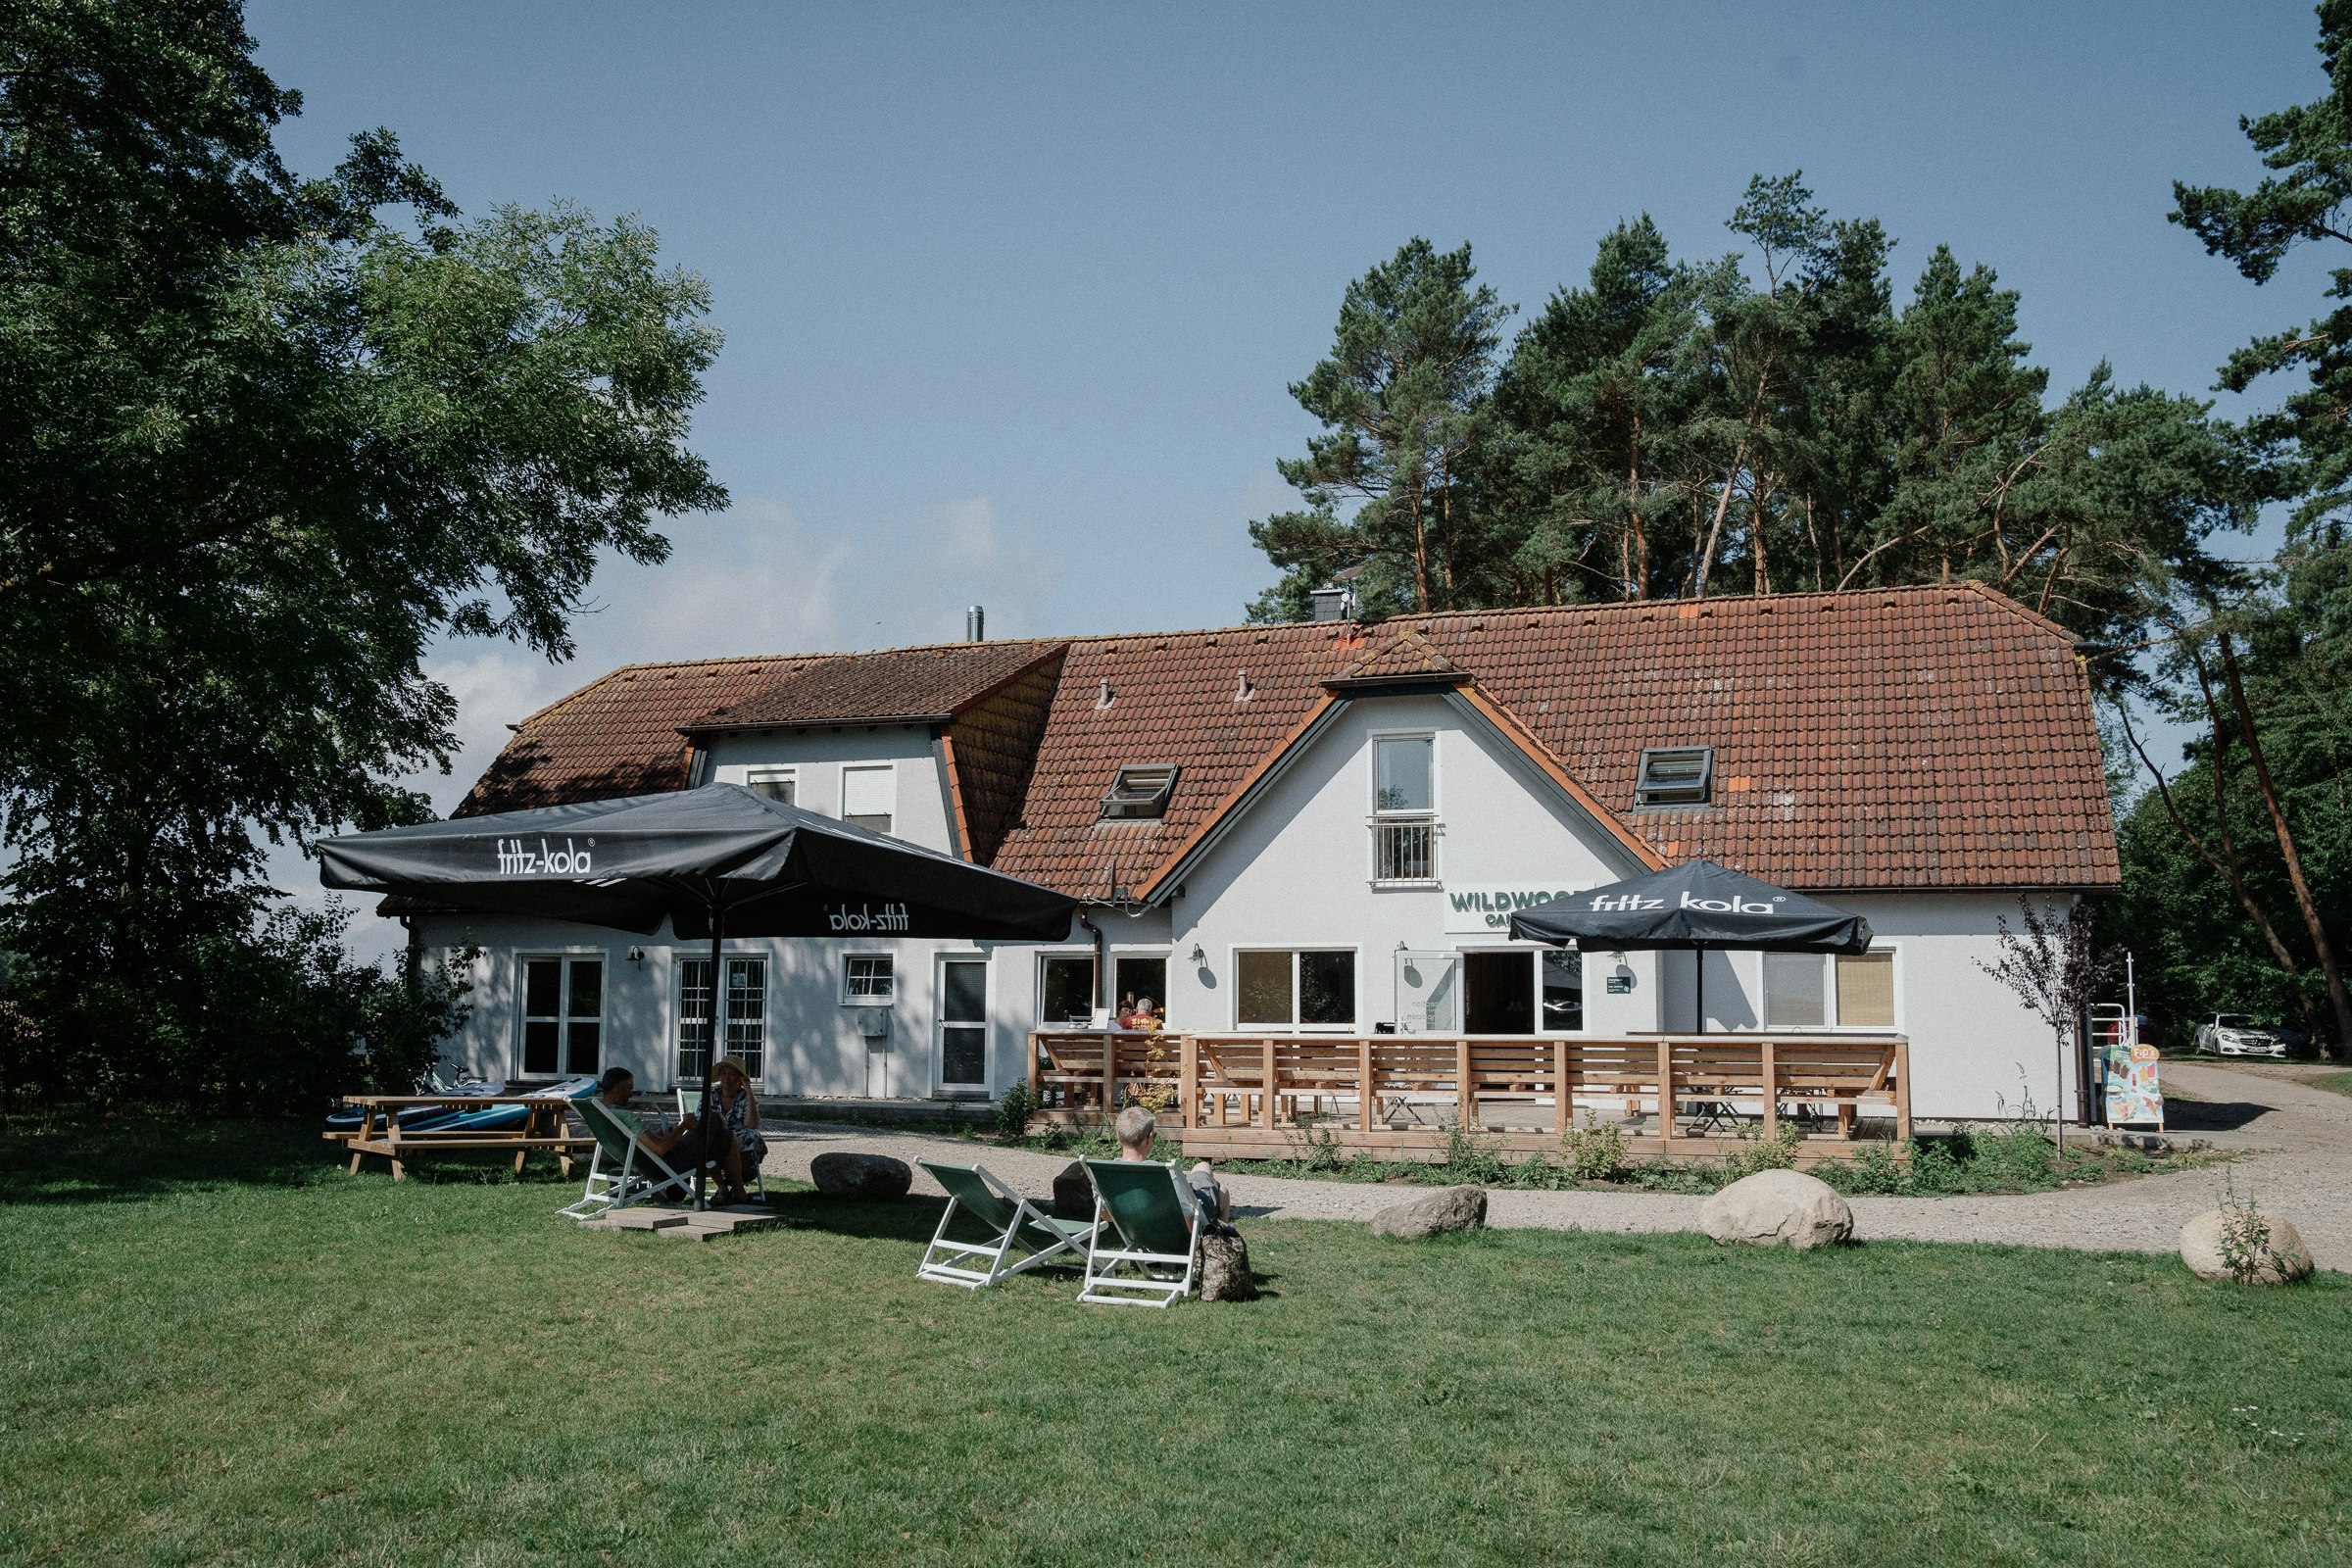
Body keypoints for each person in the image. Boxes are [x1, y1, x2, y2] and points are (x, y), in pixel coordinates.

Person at [594, 1066, 744, 1197]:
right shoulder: (625, 1116)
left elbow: (641, 1144)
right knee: (713, 1118)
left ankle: (728, 1191)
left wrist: (658, 1134)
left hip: (649, 1164)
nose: (631, 1094)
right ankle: (737, 1192)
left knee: (726, 1137)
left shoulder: (603, 1113)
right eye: (629, 1088)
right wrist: (684, 1126)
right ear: (620, 1090)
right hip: (669, 1164)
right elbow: (660, 1149)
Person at [1112, 1104, 1229, 1223]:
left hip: (1138, 1232)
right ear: (1149, 1137)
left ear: (1117, 1136)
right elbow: (1189, 1225)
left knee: (1208, 1178)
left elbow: (1106, 1215)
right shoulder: (1167, 1176)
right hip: (1181, 1235)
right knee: (1212, 1178)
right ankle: (1219, 1237)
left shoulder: (1105, 1174)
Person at [706, 1055, 767, 1203]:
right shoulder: (711, 1095)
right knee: (705, 1140)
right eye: (723, 1074)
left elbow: (752, 1124)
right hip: (715, 1144)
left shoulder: (745, 1097)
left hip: (740, 1149)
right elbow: (700, 1120)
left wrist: (749, 1090)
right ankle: (724, 1188)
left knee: (752, 1136)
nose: (726, 1078)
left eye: (731, 1074)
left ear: (739, 1079)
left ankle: (734, 1187)